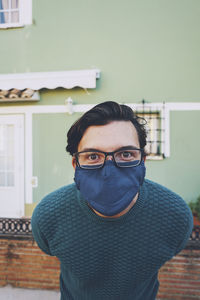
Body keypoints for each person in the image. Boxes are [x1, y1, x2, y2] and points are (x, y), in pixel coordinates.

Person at [31, 101, 193, 300]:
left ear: (143, 159)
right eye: (93, 156)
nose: (109, 173)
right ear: (76, 164)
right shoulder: (49, 216)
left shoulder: (175, 217)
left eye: (125, 154)